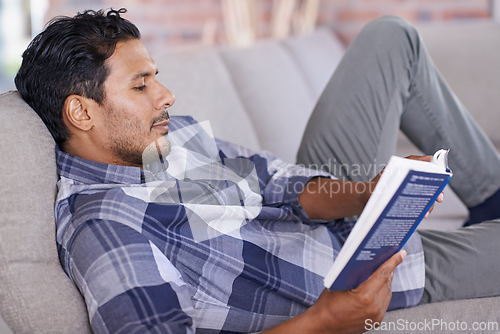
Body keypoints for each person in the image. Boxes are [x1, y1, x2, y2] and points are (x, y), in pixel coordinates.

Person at [14, 8, 500, 334]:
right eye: (141, 85)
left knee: (389, 38)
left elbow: (272, 185)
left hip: (329, 221)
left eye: (156, 77)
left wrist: (368, 193)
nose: (166, 95)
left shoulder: (156, 146)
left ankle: (489, 193)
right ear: (81, 113)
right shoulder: (107, 228)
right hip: (355, 268)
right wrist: (325, 320)